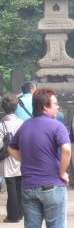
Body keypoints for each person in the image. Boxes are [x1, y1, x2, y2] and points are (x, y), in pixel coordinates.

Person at [8, 87, 71, 228]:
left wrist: (25, 159)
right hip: (52, 186)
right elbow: (66, 149)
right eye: (55, 104)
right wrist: (62, 173)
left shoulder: (25, 126)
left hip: (29, 187)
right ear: (45, 106)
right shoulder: (57, 126)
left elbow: (11, 148)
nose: (57, 107)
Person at [0, 94, 24, 223]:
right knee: (20, 187)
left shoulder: (2, 125)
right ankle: (20, 213)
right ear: (16, 107)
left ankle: (13, 215)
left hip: (8, 160)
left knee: (11, 188)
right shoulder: (21, 123)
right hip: (20, 158)